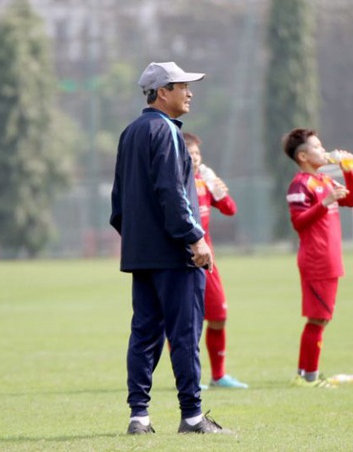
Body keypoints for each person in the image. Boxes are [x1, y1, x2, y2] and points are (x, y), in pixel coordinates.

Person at [110, 61, 229, 435]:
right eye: (182, 86)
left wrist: (138, 241)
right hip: (175, 255)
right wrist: (194, 238)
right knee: (185, 333)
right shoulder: (167, 132)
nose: (189, 92)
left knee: (144, 334)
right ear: (163, 92)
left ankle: (139, 417)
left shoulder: (130, 133)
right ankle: (193, 416)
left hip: (141, 254)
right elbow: (172, 191)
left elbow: (118, 204)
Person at [283, 128, 353, 388]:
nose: (323, 150)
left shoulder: (326, 180)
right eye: (317, 147)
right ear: (303, 156)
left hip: (330, 259)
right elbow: (299, 222)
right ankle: (309, 377)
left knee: (322, 318)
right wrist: (325, 202)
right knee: (318, 318)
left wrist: (347, 170)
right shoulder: (300, 184)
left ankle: (304, 374)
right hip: (316, 259)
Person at [184, 132, 248, 389]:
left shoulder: (204, 181)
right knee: (188, 321)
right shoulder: (176, 183)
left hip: (208, 260)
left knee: (219, 314)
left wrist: (217, 190)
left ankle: (219, 376)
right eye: (189, 154)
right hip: (183, 260)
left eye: (198, 154)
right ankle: (190, 377)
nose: (195, 158)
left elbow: (231, 210)